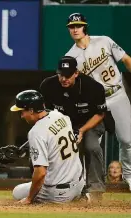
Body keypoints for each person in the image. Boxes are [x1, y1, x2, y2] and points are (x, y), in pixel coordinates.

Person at [64, 12, 131, 190]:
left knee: (127, 140)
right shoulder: (70, 57)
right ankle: (88, 183)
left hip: (116, 94)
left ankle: (130, 177)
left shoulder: (104, 41)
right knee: (91, 145)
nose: (75, 29)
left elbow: (126, 60)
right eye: (71, 26)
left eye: (78, 25)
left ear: (85, 26)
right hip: (94, 104)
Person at [40, 56, 107, 201]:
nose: (64, 78)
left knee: (91, 147)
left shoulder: (93, 87)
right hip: (62, 124)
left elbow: (100, 114)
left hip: (90, 122)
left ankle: (95, 189)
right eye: (61, 75)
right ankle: (58, 186)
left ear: (76, 73)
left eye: (68, 75)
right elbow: (45, 112)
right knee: (61, 151)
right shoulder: (47, 85)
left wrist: (82, 130)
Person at [10, 90, 84, 204]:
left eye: (22, 111)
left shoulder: (35, 132)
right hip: (80, 184)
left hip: (59, 193)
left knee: (17, 192)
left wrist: (29, 199)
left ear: (31, 110)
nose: (21, 115)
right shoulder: (60, 116)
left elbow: (40, 173)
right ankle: (81, 196)